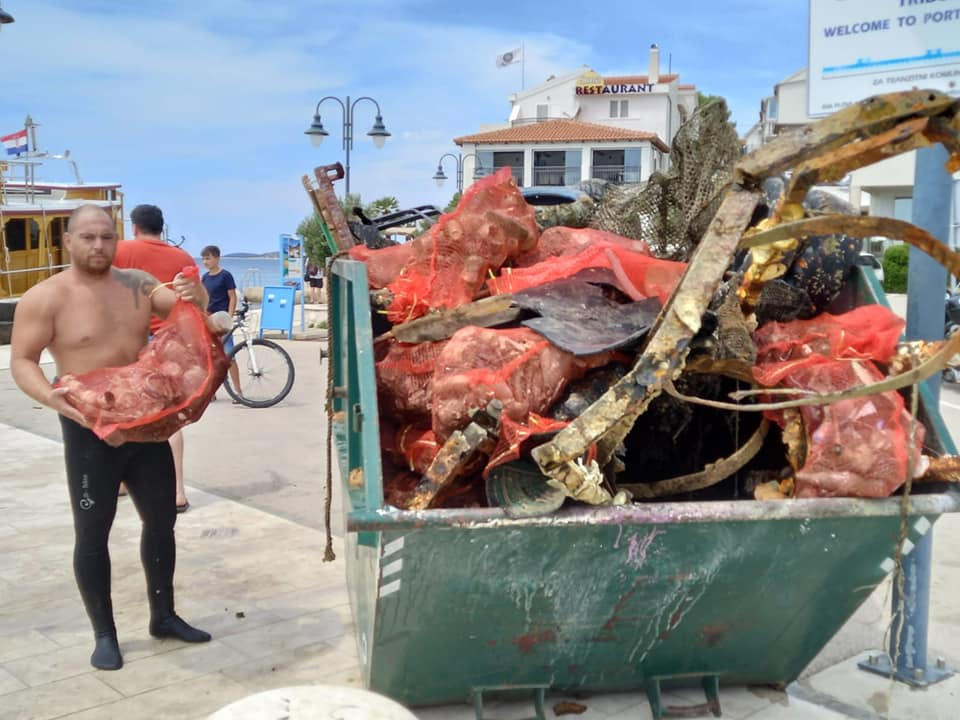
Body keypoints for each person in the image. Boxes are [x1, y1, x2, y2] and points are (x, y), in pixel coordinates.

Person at [9, 204, 213, 671]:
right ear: (68, 242)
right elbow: (22, 360)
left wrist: (197, 294)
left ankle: (163, 616)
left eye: (106, 237)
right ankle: (105, 634)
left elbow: (186, 309)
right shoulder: (45, 297)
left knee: (162, 521)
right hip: (87, 428)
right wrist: (56, 400)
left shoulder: (137, 285)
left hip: (144, 425)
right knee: (92, 532)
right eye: (88, 237)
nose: (98, 246)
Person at [113, 204, 195, 512]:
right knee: (170, 418)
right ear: (162, 226)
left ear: (134, 226)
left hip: (133, 341)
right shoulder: (183, 257)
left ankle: (121, 481)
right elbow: (191, 300)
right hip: (173, 342)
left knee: (125, 411)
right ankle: (178, 491)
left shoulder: (121, 251)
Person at [200, 245, 241, 397]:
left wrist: (229, 316)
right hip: (210, 320)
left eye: (208, 258)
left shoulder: (225, 275)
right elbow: (204, 299)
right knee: (210, 358)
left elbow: (232, 297)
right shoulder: (204, 278)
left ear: (217, 258)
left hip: (223, 320)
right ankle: (211, 392)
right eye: (204, 259)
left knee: (229, 356)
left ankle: (238, 391)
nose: (206, 262)